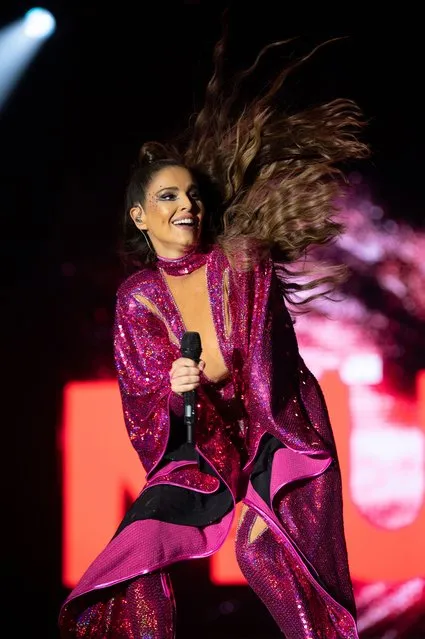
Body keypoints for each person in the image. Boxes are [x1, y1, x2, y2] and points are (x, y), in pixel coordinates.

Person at [59, 30, 369, 639]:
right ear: (139, 215)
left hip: (278, 428)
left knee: (268, 551)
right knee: (132, 555)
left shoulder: (240, 261)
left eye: (193, 195)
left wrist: (208, 377)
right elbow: (145, 401)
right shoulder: (137, 298)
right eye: (168, 195)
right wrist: (174, 389)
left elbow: (263, 364)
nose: (187, 205)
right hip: (205, 444)